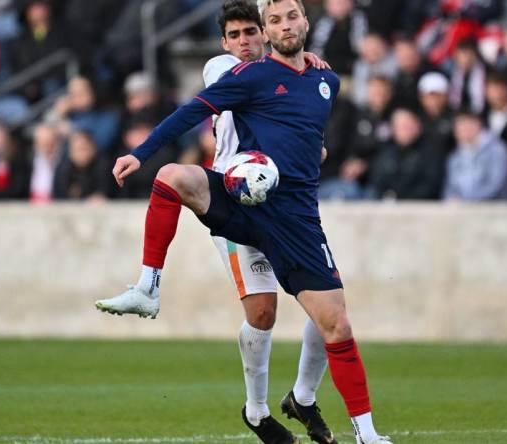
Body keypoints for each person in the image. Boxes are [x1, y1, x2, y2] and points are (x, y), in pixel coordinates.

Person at [95, 1, 392, 443]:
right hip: (238, 197)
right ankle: (148, 287)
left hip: (292, 216)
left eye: (287, 18)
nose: (265, 32)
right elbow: (192, 111)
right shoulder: (236, 73)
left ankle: (348, 424)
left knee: (334, 321)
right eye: (271, 21)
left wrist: (313, 148)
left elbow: (305, 130)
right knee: (172, 176)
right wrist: (139, 153)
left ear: (306, 22)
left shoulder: (325, 80)